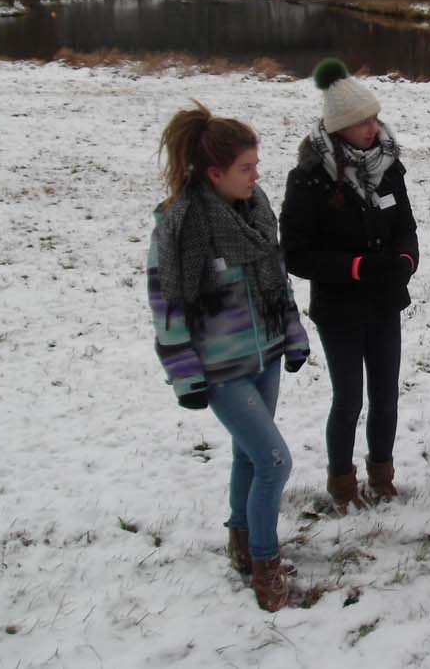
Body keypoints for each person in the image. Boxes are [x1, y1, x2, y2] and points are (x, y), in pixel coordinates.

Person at [148, 103, 310, 612]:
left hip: (265, 357)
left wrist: (293, 334)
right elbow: (167, 308)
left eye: (256, 165)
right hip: (221, 371)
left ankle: (241, 543)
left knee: (249, 455)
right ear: (214, 173)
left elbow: (276, 281)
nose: (256, 175)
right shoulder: (180, 227)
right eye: (246, 168)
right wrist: (185, 378)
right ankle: (264, 563)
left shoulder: (256, 211)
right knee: (274, 461)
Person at [281, 59, 418, 514]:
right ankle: (341, 481)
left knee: (385, 395)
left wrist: (404, 260)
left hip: (385, 303)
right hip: (339, 308)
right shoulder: (309, 178)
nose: (372, 128)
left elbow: (407, 227)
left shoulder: (388, 166)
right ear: (340, 127)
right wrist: (355, 267)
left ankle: (383, 474)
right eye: (363, 121)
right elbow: (296, 253)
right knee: (349, 398)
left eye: (375, 118)